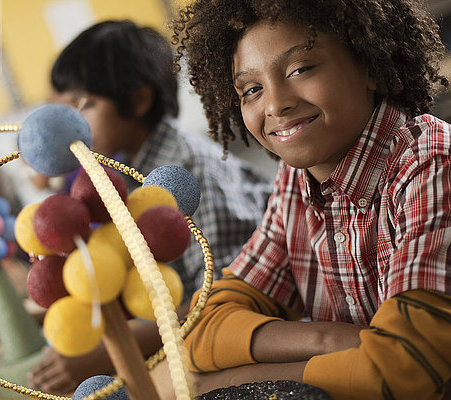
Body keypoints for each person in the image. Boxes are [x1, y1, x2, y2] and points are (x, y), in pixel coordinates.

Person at [168, 0, 451, 398]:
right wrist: (330, 341)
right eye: (252, 90)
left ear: (368, 63)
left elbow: (402, 370)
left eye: (300, 69)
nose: (275, 103)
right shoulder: (296, 181)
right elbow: (201, 327)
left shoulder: (431, 165)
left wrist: (230, 381)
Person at [27, 19, 272, 394]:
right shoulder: (125, 172)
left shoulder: (182, 174)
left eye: (83, 105)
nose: (71, 125)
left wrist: (110, 351)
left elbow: (220, 296)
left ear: (139, 100)